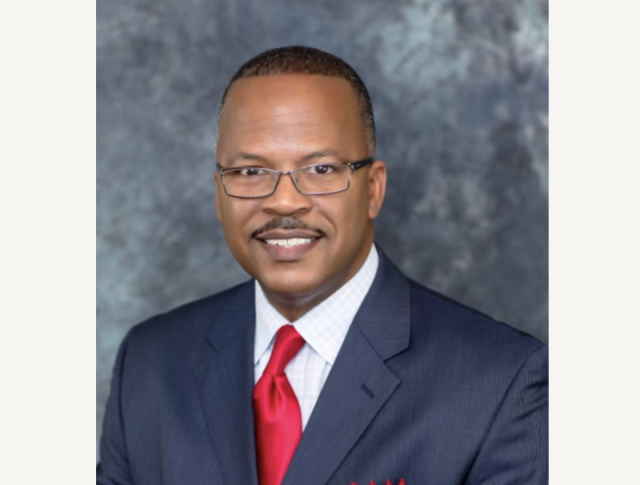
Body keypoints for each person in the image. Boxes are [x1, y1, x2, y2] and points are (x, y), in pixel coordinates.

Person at [98, 46, 548, 485]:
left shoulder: (502, 380)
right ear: (218, 195)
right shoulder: (151, 361)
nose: (284, 202)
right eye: (251, 172)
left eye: (321, 170)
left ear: (373, 190)